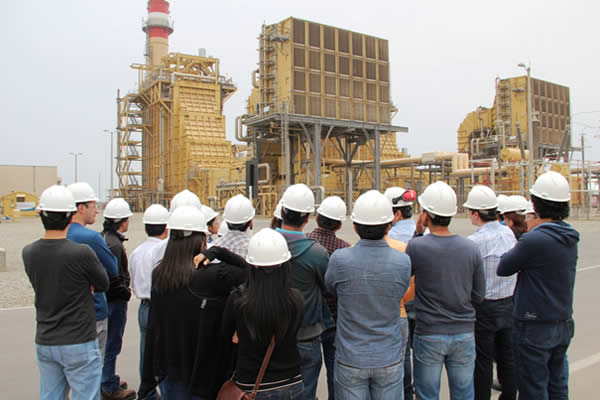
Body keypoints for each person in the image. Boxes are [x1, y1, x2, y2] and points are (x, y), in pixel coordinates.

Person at [139, 206, 249, 399]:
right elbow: (249, 272)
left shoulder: (160, 274)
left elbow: (154, 327)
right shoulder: (212, 275)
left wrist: (148, 380)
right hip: (205, 370)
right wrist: (218, 252)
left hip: (172, 369)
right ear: (200, 240)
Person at [498, 171, 579, 399]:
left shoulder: (534, 239)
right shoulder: (570, 236)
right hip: (562, 321)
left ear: (537, 205)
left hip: (534, 324)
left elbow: (503, 267)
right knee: (558, 386)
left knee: (533, 388)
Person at [23, 185, 109, 400]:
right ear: (71, 215)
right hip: (79, 339)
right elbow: (103, 283)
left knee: (51, 395)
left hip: (45, 338)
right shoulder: (81, 253)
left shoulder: (29, 252)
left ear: (42, 214)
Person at [325, 190, 411, 400]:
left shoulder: (340, 259)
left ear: (354, 226)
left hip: (350, 357)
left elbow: (331, 288)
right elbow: (401, 292)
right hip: (388, 356)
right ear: (389, 226)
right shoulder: (402, 261)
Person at [407, 181, 485, 400]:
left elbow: (404, 278)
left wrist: (417, 233)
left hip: (429, 331)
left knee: (427, 393)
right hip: (464, 332)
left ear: (425, 215)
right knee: (463, 393)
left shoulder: (417, 246)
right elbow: (479, 295)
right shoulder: (471, 248)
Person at [220, 228, 305, 400]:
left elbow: (225, 335)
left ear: (251, 265)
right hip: (291, 382)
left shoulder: (238, 300)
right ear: (285, 264)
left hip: (252, 385)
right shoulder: (296, 299)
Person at [464, 185, 517, 400]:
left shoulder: (474, 242)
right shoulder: (508, 234)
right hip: (509, 303)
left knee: (483, 360)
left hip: (484, 307)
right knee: (507, 358)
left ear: (476, 214)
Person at [277, 183, 330, 400]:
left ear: (281, 212)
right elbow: (328, 287)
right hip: (307, 334)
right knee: (306, 392)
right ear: (308, 217)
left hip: (273, 334)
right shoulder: (317, 252)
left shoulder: (264, 244)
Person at [67, 182, 118, 361]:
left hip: (63, 318)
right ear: (81, 208)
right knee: (91, 373)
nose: (97, 211)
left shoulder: (58, 235)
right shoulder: (91, 238)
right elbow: (113, 269)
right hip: (92, 313)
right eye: (94, 206)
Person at [306, 196, 350, 400]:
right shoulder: (345, 250)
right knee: (335, 372)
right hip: (334, 319)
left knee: (306, 376)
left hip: (308, 321)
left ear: (316, 218)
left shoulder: (305, 244)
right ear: (340, 224)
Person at [129, 204, 170, 400]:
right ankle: (166, 392)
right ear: (166, 227)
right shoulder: (164, 250)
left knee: (145, 352)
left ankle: (148, 393)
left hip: (143, 307)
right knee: (165, 353)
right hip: (162, 308)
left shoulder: (136, 252)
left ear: (146, 228)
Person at [383, 187, 419, 399]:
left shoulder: (392, 237)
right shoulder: (421, 232)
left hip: (399, 303)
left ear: (395, 214)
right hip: (419, 299)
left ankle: (402, 391)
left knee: (401, 354)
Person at [100, 198, 136, 400]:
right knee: (112, 341)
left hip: (106, 299)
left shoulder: (105, 238)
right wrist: (124, 291)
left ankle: (108, 378)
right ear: (122, 221)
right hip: (114, 301)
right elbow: (113, 275)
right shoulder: (114, 244)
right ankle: (108, 385)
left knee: (106, 341)